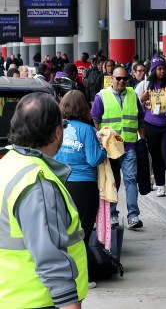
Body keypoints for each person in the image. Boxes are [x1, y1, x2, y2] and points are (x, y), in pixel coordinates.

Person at [0, 92, 88, 308]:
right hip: (39, 300)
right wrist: (70, 304)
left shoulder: (8, 164)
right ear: (57, 133)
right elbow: (51, 258)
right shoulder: (36, 183)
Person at [91, 66, 146, 230]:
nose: (121, 81)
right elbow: (95, 119)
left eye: (124, 79)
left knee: (130, 180)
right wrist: (99, 137)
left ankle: (133, 216)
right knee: (112, 182)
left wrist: (142, 140)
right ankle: (112, 215)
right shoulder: (102, 96)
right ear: (112, 79)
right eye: (118, 78)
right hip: (110, 148)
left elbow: (140, 120)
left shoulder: (133, 95)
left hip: (129, 145)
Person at [55, 90, 107, 244]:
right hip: (84, 187)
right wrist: (104, 151)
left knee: (63, 231)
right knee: (82, 233)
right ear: (84, 107)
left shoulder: (57, 129)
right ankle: (81, 265)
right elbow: (94, 159)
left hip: (60, 184)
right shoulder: (87, 130)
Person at [135, 56, 166, 197]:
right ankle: (160, 185)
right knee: (155, 155)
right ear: (153, 70)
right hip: (150, 125)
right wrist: (142, 99)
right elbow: (134, 105)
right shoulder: (143, 85)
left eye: (163, 69)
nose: (162, 71)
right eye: (159, 69)